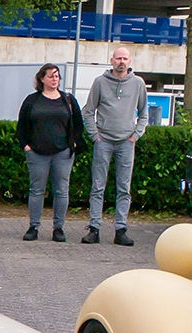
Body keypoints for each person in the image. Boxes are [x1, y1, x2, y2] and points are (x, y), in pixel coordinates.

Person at [82, 47, 149, 246]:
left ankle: (121, 229)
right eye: (118, 58)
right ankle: (94, 228)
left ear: (130, 61)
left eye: (125, 58)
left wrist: (135, 136)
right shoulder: (100, 83)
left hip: (126, 143)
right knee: (97, 186)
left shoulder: (138, 84)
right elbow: (88, 111)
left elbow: (144, 113)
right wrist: (95, 136)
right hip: (104, 142)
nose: (122, 61)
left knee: (123, 188)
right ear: (111, 60)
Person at [15, 64, 84, 243]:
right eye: (51, 76)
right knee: (36, 190)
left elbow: (78, 124)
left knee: (61, 190)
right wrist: (26, 146)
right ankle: (34, 226)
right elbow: (21, 126)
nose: (55, 79)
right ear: (42, 79)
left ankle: (58, 228)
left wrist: (73, 143)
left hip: (62, 152)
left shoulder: (67, 100)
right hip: (37, 152)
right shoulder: (32, 101)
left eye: (57, 76)